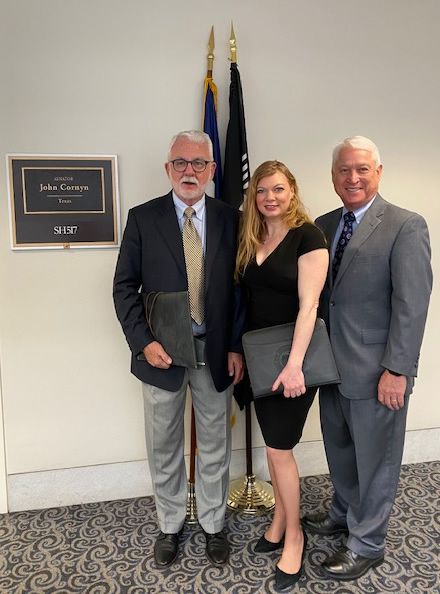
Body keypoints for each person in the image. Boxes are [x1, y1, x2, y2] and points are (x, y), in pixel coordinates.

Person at [302, 136, 432, 580]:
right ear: (333, 175)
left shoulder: (405, 225)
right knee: (340, 450)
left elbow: (412, 305)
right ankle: (342, 510)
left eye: (361, 169)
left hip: (378, 371)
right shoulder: (322, 224)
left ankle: (368, 542)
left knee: (376, 460)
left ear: (378, 172)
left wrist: (398, 370)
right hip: (330, 367)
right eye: (343, 170)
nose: (352, 178)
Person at [113, 130, 245, 568]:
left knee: (214, 442)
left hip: (215, 351)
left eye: (199, 163)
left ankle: (212, 523)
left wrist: (236, 347)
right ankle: (169, 523)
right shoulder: (142, 218)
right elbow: (123, 288)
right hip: (161, 355)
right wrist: (143, 343)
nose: (190, 171)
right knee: (164, 442)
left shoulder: (232, 218)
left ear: (211, 169)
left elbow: (241, 289)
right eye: (181, 163)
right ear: (167, 168)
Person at [235, 160, 329, 591]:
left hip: (292, 361)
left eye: (278, 189)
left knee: (278, 450)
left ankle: (295, 536)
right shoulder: (253, 235)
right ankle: (278, 523)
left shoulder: (307, 236)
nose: (269, 198)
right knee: (276, 450)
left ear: (292, 191)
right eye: (261, 191)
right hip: (259, 357)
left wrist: (294, 365)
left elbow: (309, 306)